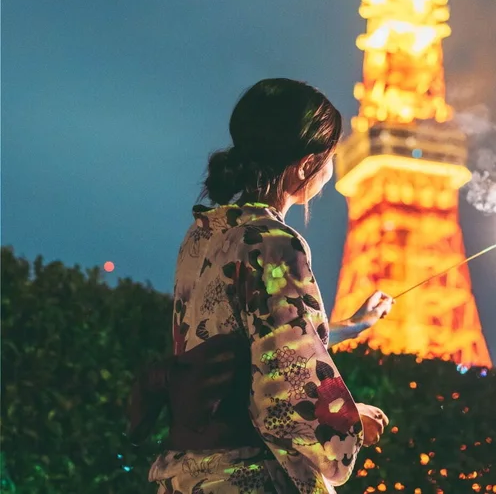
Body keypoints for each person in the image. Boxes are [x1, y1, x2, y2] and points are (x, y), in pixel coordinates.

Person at [142, 78, 394, 494]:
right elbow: (286, 387)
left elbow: (249, 337)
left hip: (188, 475)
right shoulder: (275, 242)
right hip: (247, 474)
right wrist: (348, 424)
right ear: (306, 165)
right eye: (331, 157)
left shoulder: (204, 235)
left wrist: (354, 325)